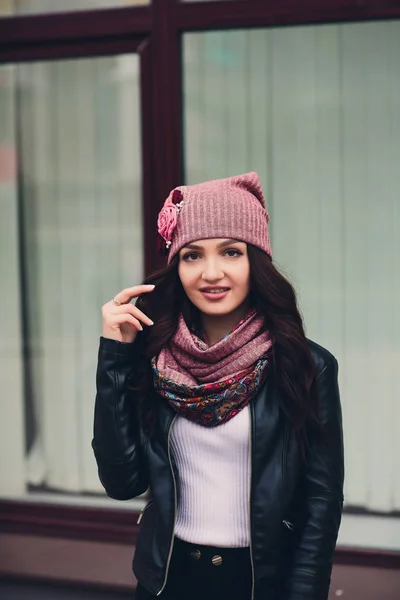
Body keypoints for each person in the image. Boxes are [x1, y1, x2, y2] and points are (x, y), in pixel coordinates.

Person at [92, 172, 344, 600]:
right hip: (167, 581)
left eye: (230, 252)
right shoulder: (155, 360)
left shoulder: (305, 365)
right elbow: (122, 483)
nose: (211, 273)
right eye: (192, 256)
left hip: (259, 584)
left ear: (255, 262)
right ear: (177, 266)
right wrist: (114, 357)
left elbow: (321, 504)